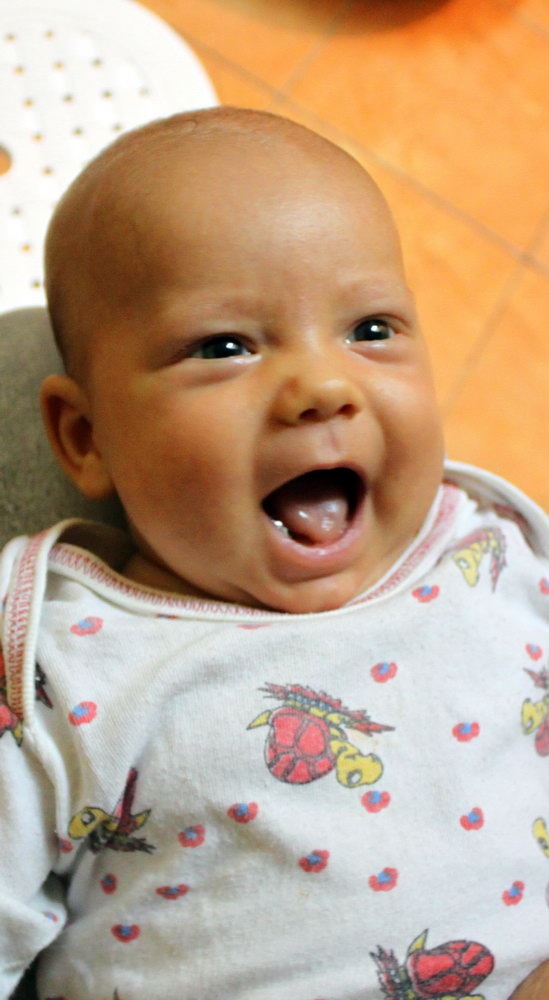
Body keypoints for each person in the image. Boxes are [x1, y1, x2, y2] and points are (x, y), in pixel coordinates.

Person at [0, 107, 547, 1000]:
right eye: (225, 347)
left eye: (371, 330)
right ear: (85, 436)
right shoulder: (57, 663)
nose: (324, 384)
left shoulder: (491, 553)